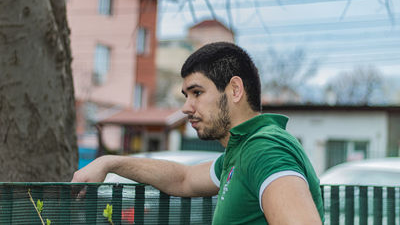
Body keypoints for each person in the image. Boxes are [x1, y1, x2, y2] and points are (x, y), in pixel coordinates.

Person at [72, 42, 324, 224]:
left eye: (197, 93)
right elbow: (184, 178)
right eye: (186, 96)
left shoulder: (265, 150)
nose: (186, 107)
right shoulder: (241, 151)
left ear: (235, 90)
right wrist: (110, 162)